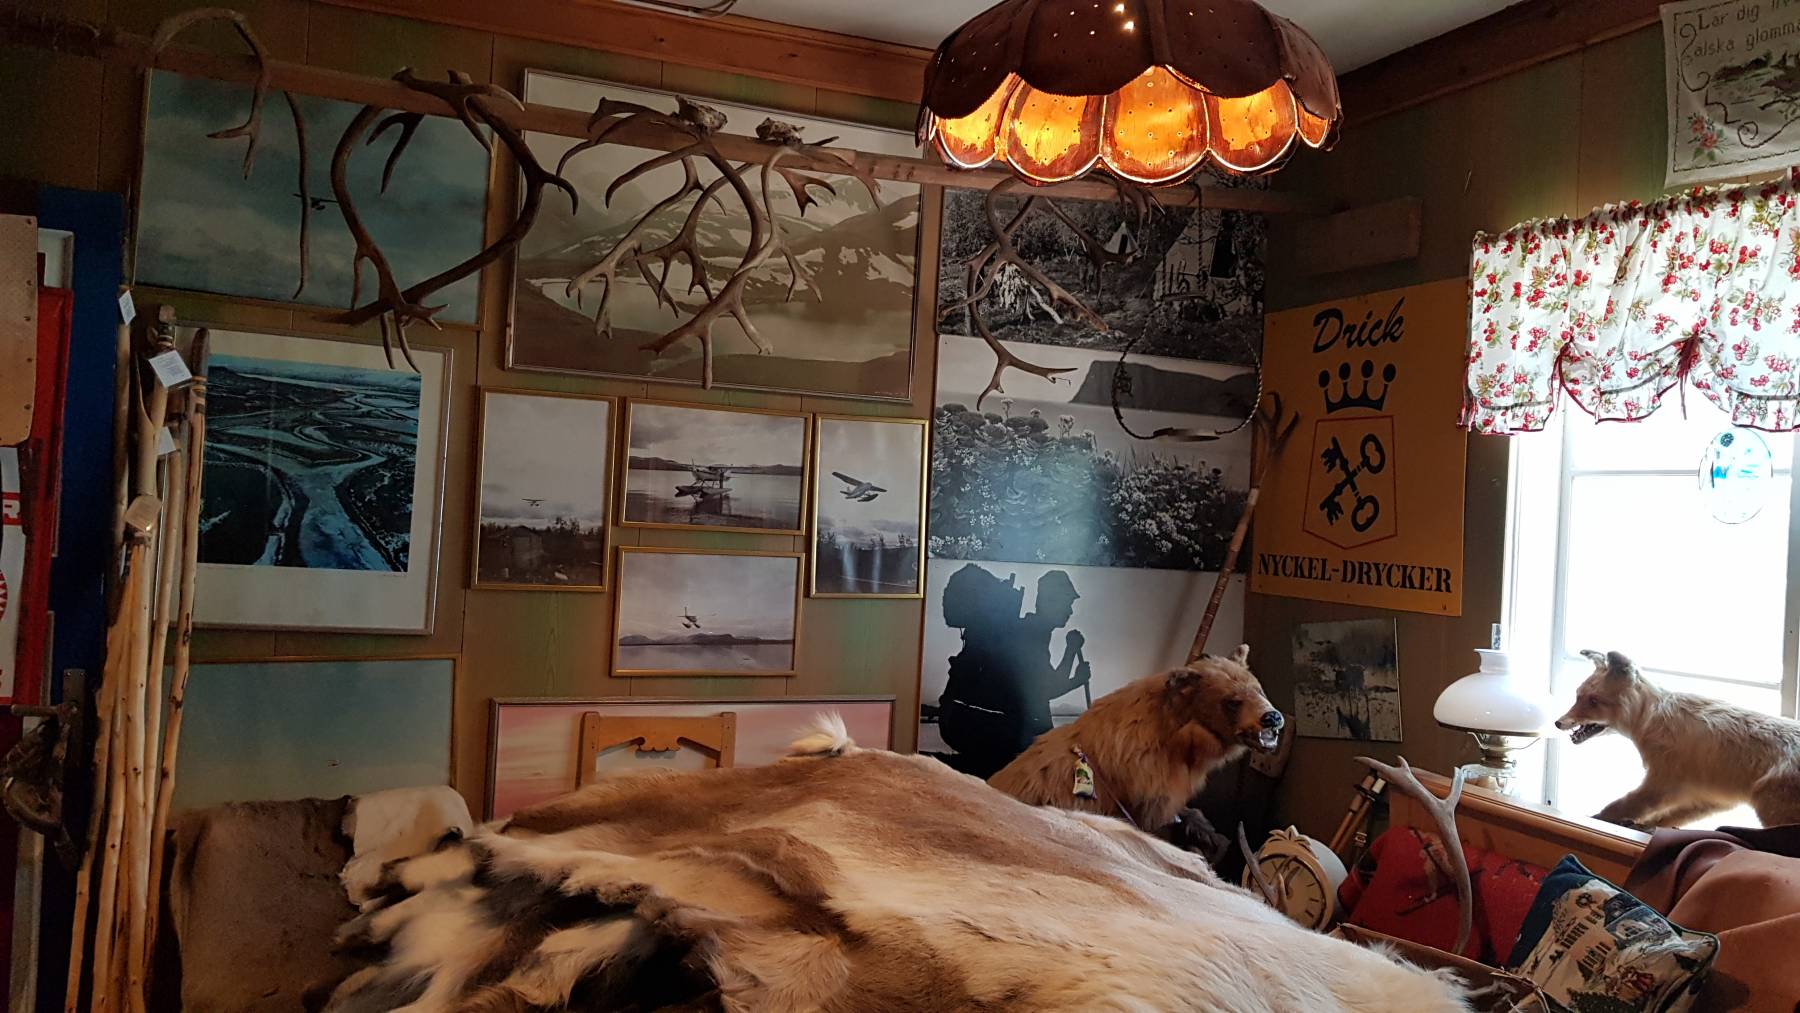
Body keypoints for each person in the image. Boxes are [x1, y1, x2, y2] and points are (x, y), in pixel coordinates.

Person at [937, 569, 1094, 778]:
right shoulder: (1030, 634)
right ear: (1050, 601)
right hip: (975, 723)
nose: (1070, 610)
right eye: (1067, 603)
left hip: (968, 720)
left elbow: (1046, 684)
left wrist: (1071, 651)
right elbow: (1045, 691)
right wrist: (1076, 675)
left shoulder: (1035, 631)